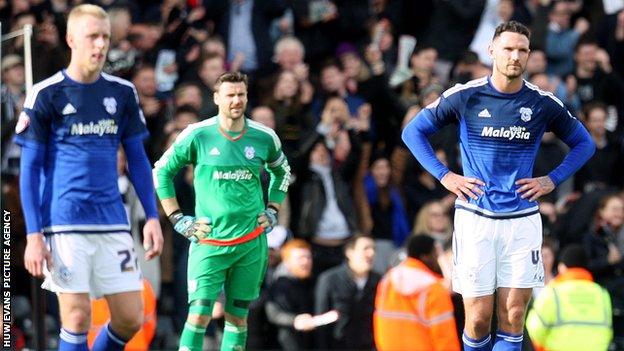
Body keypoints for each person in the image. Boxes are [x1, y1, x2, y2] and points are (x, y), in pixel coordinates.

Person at [401, 21, 595, 351]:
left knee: (514, 313)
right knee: (477, 318)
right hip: (475, 216)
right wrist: (445, 176)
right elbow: (412, 132)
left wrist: (551, 180)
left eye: (522, 50)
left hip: (522, 219)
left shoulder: (541, 103)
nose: (514, 56)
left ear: (529, 55)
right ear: (492, 51)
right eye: (508, 48)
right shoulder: (466, 95)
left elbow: (584, 144)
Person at [15, 5, 164, 351]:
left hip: (113, 220)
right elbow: (30, 169)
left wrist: (153, 216)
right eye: (92, 37)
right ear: (71, 39)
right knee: (78, 317)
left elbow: (139, 160)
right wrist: (33, 234)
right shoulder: (46, 94)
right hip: (64, 223)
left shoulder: (122, 92)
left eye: (105, 37)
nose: (100, 45)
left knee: (131, 318)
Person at [153, 71, 291, 351]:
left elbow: (283, 172)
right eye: (230, 95)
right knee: (200, 313)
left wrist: (273, 208)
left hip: (250, 243)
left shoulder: (264, 136)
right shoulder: (197, 134)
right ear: (216, 98)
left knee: (238, 317)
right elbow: (161, 171)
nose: (236, 100)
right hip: (209, 242)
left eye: (241, 94)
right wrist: (177, 218)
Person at [374, 234, 460, 351]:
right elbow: (444, 337)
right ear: (426, 256)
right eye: (435, 254)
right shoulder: (433, 289)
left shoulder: (387, 280)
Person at [526, 244, 613, 351]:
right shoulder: (602, 294)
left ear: (562, 267)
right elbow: (608, 331)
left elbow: (533, 331)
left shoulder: (553, 292)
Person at [315, 234, 380, 350]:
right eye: (366, 248)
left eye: (373, 249)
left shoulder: (379, 281)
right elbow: (321, 321)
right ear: (349, 252)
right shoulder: (330, 279)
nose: (371, 253)